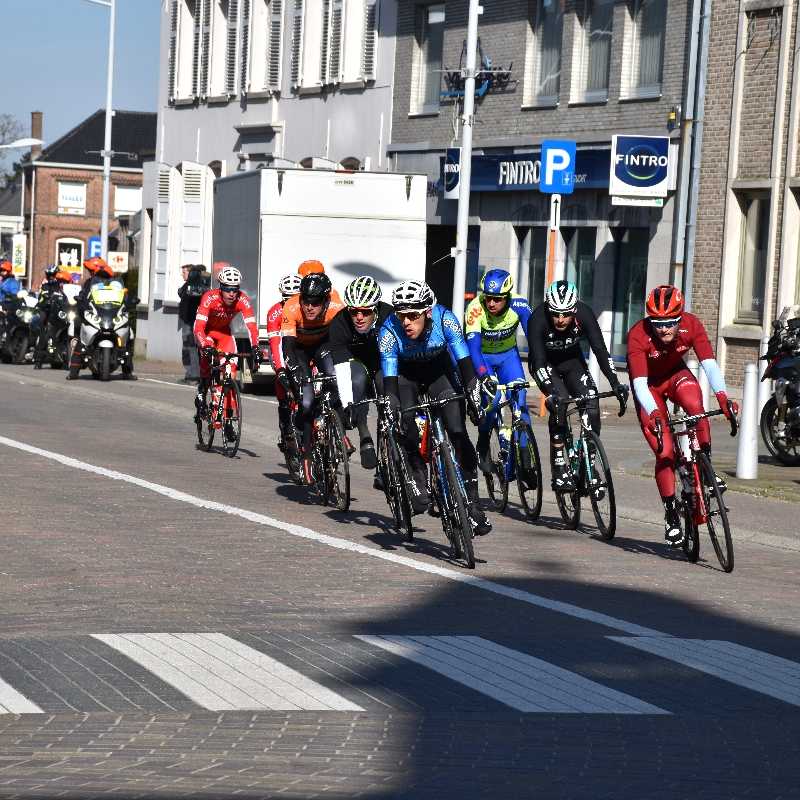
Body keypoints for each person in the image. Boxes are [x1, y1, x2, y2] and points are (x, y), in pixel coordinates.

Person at [378, 280, 494, 535]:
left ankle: (473, 504)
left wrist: (473, 393)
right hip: (404, 378)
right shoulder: (388, 331)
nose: (406, 322)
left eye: (412, 315)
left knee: (457, 430)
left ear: (428, 312)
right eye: (401, 315)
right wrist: (392, 404)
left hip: (438, 373)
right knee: (405, 421)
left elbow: (464, 362)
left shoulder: (446, 320)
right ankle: (417, 473)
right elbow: (389, 379)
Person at [627, 285, 738, 546]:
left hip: (675, 375)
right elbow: (640, 384)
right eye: (658, 323)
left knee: (695, 406)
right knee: (665, 452)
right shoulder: (638, 335)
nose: (664, 329)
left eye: (670, 323)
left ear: (680, 318)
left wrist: (722, 397)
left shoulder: (692, 325)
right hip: (649, 387)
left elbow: (709, 364)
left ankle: (705, 467)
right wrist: (653, 412)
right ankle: (670, 513)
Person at [528, 280, 628, 493]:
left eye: (565, 314)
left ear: (574, 309)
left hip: (573, 364)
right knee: (560, 402)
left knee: (591, 400)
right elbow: (536, 361)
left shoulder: (584, 313)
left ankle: (588, 467)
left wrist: (615, 382)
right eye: (555, 313)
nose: (561, 319)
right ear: (548, 308)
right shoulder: (537, 319)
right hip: (546, 366)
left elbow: (600, 349)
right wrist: (549, 391)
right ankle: (558, 466)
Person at [464, 269, 537, 483]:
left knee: (520, 400)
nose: (492, 303)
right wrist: (484, 376)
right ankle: (484, 442)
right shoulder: (475, 309)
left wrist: (538, 363)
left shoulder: (520, 305)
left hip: (508, 357)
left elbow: (534, 339)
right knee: (492, 400)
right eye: (488, 297)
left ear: (507, 296)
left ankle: (525, 458)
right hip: (483, 358)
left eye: (497, 299)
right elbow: (474, 350)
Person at [281, 271, 344, 483]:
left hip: (323, 346)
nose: (309, 307)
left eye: (315, 303)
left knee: (336, 377)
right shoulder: (291, 307)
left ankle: (338, 429)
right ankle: (307, 457)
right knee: (306, 402)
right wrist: (293, 369)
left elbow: (346, 341)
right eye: (306, 301)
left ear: (326, 301)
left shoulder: (337, 308)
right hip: (299, 350)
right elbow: (287, 346)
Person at [328, 275, 393, 470]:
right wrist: (347, 403)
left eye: (365, 312)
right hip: (355, 360)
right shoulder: (339, 323)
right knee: (356, 382)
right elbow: (341, 368)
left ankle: (389, 454)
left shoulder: (389, 316)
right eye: (354, 311)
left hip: (383, 360)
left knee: (386, 390)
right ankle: (365, 435)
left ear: (375, 309)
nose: (358, 317)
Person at [193, 265, 261, 430]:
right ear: (220, 288)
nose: (232, 293)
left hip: (224, 334)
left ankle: (228, 417)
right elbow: (198, 328)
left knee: (231, 368)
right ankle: (202, 392)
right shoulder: (209, 298)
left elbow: (251, 326)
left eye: (235, 289)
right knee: (207, 364)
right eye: (228, 289)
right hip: (206, 333)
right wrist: (204, 345)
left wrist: (255, 348)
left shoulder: (242, 300)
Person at [267, 273, 303, 452]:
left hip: (300, 350)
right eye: (286, 299)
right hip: (280, 350)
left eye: (295, 298)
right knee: (283, 385)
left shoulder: (307, 307)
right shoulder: (275, 312)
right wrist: (281, 370)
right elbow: (275, 344)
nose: (290, 303)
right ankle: (286, 429)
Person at [67, 257, 118, 380]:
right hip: (91, 314)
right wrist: (81, 303)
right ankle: (74, 371)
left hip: (106, 314)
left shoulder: (113, 284)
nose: (90, 273)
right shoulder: (89, 283)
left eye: (91, 270)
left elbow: (120, 297)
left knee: (127, 334)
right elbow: (83, 296)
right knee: (79, 337)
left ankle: (127, 369)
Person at [178, 264, 211, 383]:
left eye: (185, 272)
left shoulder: (191, 286)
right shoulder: (202, 285)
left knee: (190, 348)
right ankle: (199, 374)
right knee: (197, 348)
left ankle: (193, 375)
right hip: (197, 320)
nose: (183, 274)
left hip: (190, 321)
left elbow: (181, 293)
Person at [33, 265, 69, 368]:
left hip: (60, 312)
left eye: (53, 275)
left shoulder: (63, 286)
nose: (51, 277)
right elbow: (41, 298)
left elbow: (68, 297)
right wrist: (46, 299)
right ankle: (38, 361)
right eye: (49, 275)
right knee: (45, 331)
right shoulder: (45, 286)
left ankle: (69, 359)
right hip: (48, 311)